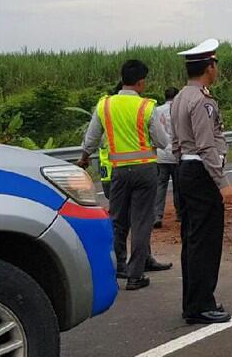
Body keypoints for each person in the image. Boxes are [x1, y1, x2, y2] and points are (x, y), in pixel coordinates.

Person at [78, 60, 172, 291]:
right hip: (145, 170)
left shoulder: (105, 105)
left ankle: (118, 266)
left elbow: (91, 138)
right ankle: (135, 275)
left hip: (118, 171)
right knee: (141, 221)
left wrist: (83, 157)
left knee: (118, 220)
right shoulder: (146, 107)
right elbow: (162, 141)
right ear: (140, 82)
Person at [171, 38, 232, 324]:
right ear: (209, 67)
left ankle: (193, 302)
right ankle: (201, 304)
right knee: (205, 242)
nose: (216, 69)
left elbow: (176, 141)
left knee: (192, 240)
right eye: (215, 64)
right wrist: (223, 183)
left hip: (185, 169)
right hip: (201, 173)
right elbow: (207, 145)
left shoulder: (181, 97)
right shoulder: (201, 101)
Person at [154, 86, 181, 227]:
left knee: (160, 186)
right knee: (178, 186)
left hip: (161, 154)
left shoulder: (157, 111)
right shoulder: (180, 110)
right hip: (176, 154)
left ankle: (157, 215)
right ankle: (180, 213)